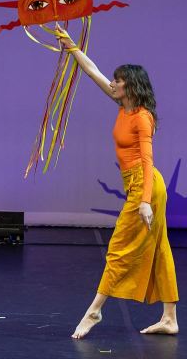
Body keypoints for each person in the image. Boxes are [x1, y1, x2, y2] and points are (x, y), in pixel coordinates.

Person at [53, 26, 179, 339]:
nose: (112, 83)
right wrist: (70, 44)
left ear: (130, 86)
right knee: (160, 247)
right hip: (138, 185)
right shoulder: (123, 107)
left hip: (146, 186)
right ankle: (169, 318)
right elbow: (91, 70)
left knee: (119, 248)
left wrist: (145, 201)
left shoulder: (142, 117)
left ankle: (94, 310)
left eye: (118, 80)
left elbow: (148, 161)